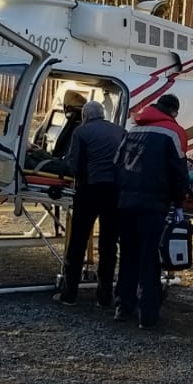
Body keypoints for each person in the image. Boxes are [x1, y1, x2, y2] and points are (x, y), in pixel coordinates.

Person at [113, 94, 188, 329]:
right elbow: (179, 171)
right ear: (174, 111)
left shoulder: (133, 130)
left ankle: (122, 307)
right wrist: (179, 202)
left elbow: (117, 165)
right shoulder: (173, 133)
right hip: (154, 205)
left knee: (127, 256)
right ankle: (147, 314)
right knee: (150, 258)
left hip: (125, 204)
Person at [57, 101, 125, 307]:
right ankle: (105, 296)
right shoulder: (120, 131)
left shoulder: (81, 132)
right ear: (103, 114)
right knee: (108, 245)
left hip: (89, 189)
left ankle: (69, 294)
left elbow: (75, 164)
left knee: (78, 241)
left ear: (86, 116)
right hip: (114, 191)